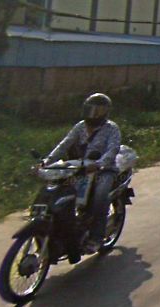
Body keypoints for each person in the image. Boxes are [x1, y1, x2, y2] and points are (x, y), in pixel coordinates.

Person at [43, 93, 121, 254]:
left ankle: (96, 238)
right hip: (79, 168)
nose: (93, 114)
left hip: (104, 171)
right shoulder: (80, 126)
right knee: (58, 191)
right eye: (90, 110)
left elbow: (112, 150)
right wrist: (46, 162)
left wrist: (98, 165)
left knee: (100, 197)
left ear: (106, 112)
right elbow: (64, 145)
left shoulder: (112, 128)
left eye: (98, 111)